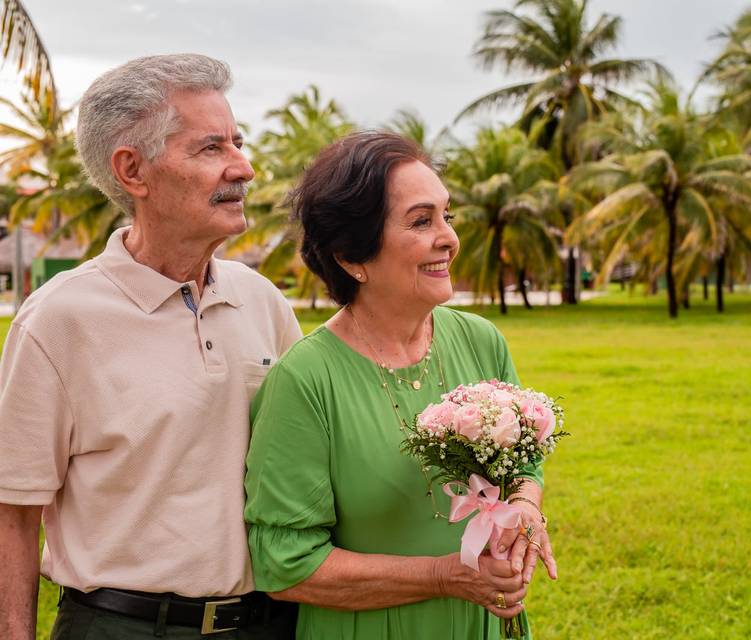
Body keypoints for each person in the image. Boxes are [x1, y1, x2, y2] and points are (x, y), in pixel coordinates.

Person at [0, 54, 301, 639]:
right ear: (133, 170)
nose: (244, 167)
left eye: (238, 142)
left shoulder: (263, 301)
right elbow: (13, 511)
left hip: (267, 622)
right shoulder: (58, 319)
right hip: (123, 627)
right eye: (212, 148)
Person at [243, 131, 558, 640]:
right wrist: (444, 577)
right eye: (421, 221)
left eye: (446, 216)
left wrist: (523, 508)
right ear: (352, 257)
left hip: (483, 621)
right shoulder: (304, 381)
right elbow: (286, 564)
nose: (449, 237)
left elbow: (524, 463)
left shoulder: (481, 341)